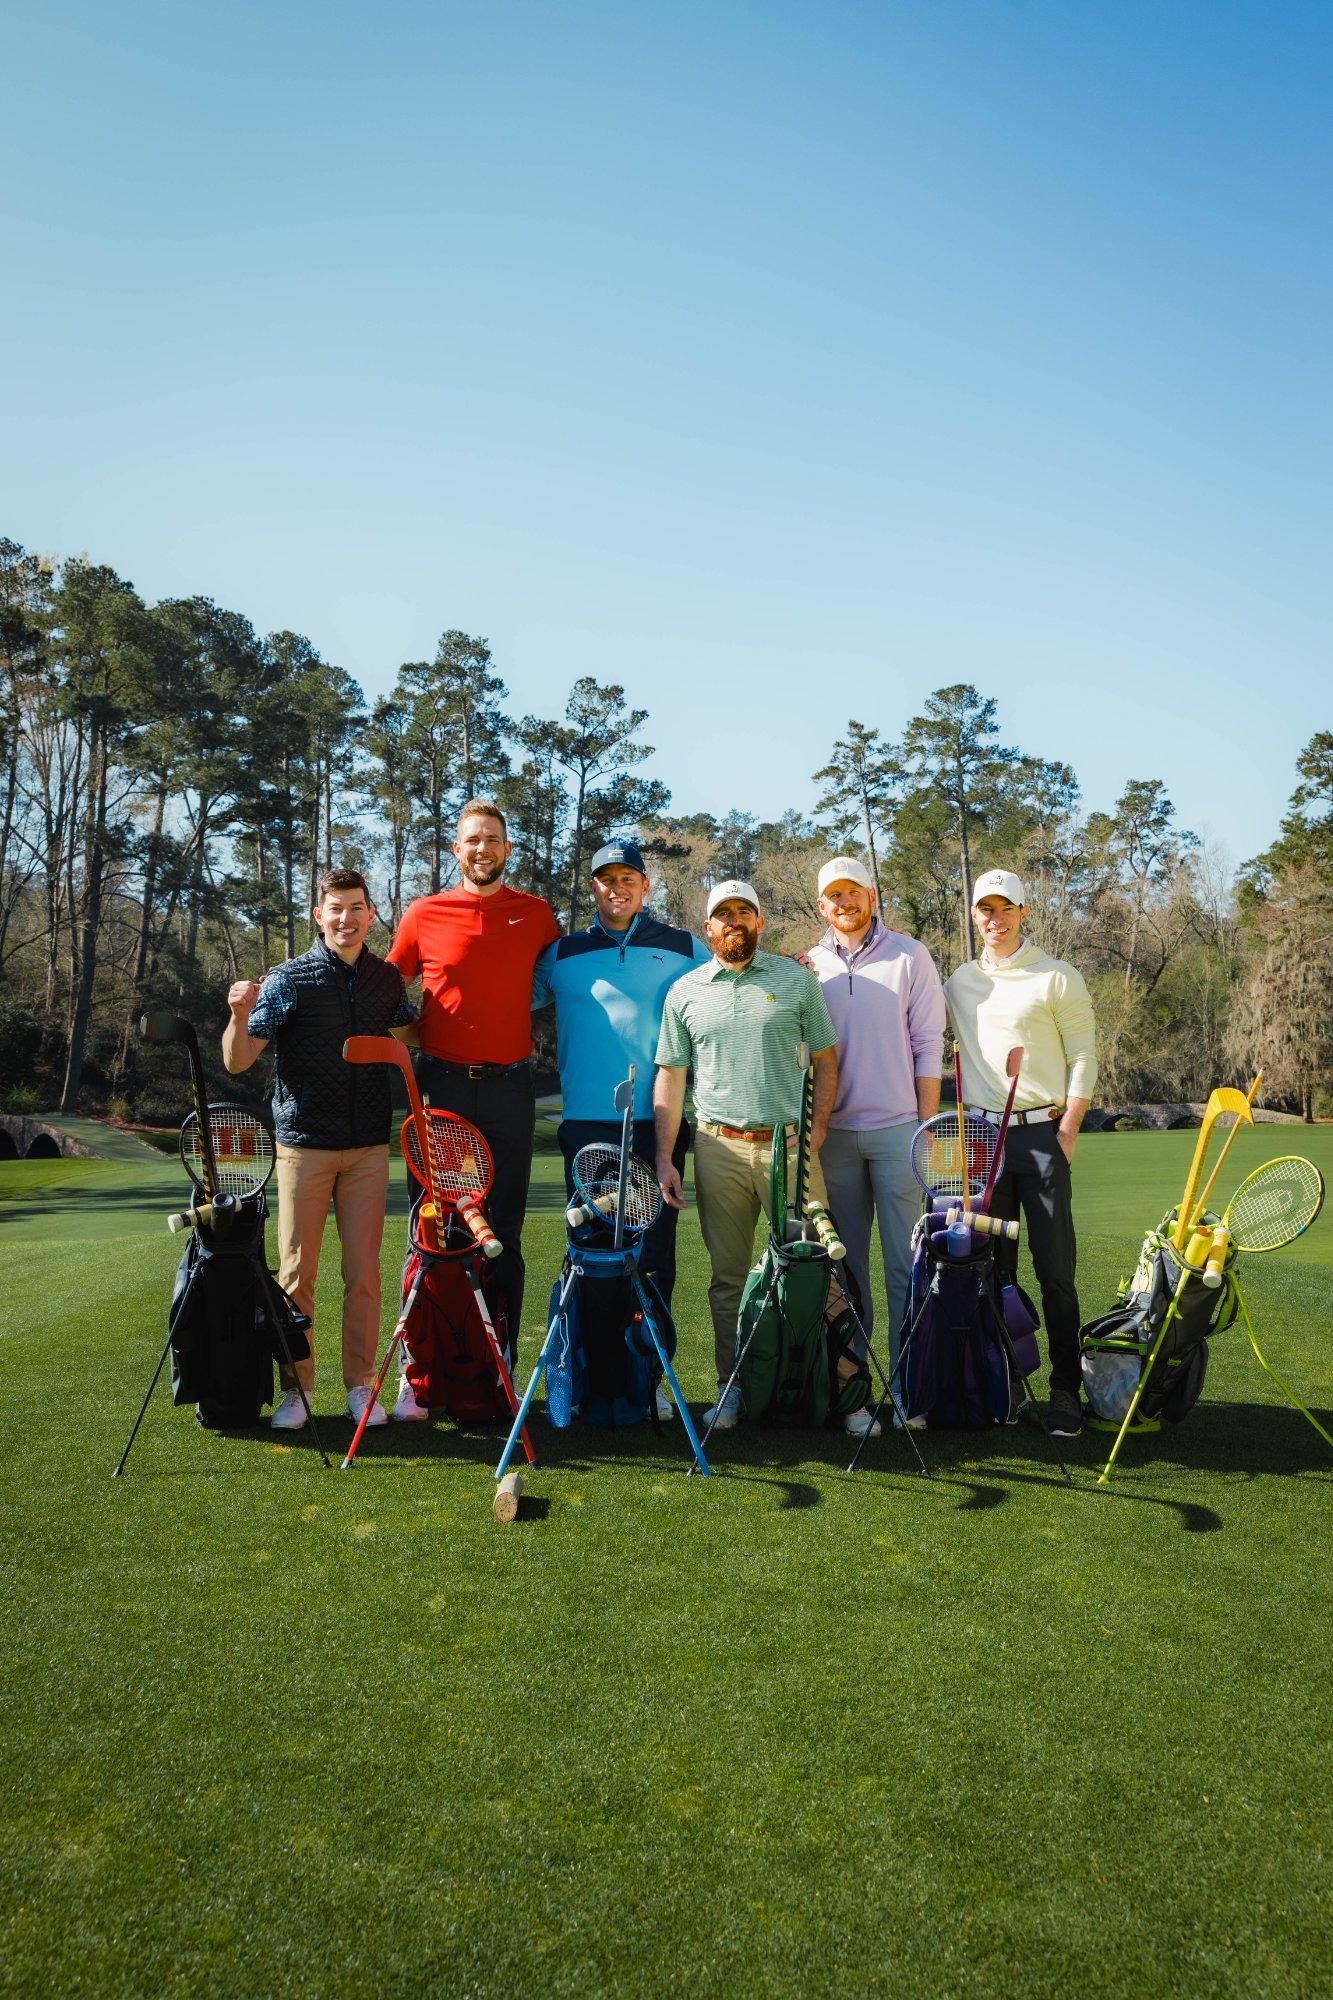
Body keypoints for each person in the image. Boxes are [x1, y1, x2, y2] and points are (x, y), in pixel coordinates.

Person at [654, 879, 877, 1437]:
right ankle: (733, 1391)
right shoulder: (684, 991)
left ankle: (846, 1397)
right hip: (716, 1147)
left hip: (789, 1151)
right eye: (723, 914)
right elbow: (672, 1076)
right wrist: (666, 1156)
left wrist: (818, 1127)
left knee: (823, 1271)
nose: (734, 921)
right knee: (728, 1280)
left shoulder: (797, 980)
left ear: (759, 922)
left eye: (744, 912)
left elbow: (826, 1059)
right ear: (708, 927)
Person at [221, 868, 417, 1432]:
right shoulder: (288, 979)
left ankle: (360, 1387)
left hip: (367, 1149)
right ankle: (297, 1390)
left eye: (356, 908)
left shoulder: (385, 981)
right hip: (303, 1145)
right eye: (335, 908)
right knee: (296, 1274)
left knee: (364, 1275)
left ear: (371, 915)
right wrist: (238, 1014)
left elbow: (412, 1035)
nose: (346, 919)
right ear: (318, 915)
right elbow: (238, 1059)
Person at [386, 799, 560, 1415]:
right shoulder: (424, 913)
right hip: (443, 1088)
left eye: (493, 839)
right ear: (455, 850)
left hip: (513, 1089)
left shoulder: (537, 915)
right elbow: (384, 990)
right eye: (471, 840)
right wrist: (419, 1036)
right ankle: (418, 1368)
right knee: (433, 1224)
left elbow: (560, 984)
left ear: (507, 849)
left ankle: (500, 1362)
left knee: (503, 1231)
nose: (482, 849)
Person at [532, 839, 709, 1418]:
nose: (617, 888)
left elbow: (734, 984)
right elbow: (510, 1003)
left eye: (627, 878)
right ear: (593, 888)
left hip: (657, 1119)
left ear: (644, 886)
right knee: (590, 1248)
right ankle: (590, 1374)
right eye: (606, 879)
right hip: (586, 1120)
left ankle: (647, 1374)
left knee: (653, 1252)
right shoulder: (561, 954)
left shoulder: (683, 947)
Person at [943, 867, 1098, 1437]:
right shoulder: (959, 980)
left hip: (1042, 1137)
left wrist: (1069, 1129)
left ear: (1023, 913)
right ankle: (1002, 1381)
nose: (995, 919)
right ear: (974, 915)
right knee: (992, 1270)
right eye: (985, 909)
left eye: (1005, 909)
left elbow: (1084, 1053)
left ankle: (1064, 1391)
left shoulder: (1056, 977)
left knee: (1056, 1271)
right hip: (984, 1141)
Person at [805, 856, 945, 1376]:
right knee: (845, 1271)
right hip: (834, 1137)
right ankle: (854, 1386)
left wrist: (925, 1128)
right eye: (835, 895)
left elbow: (929, 1045)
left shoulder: (911, 955)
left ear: (872, 896)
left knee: (905, 1269)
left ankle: (908, 1384)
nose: (845, 903)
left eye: (854, 892)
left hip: (897, 1133)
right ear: (822, 905)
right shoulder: (808, 966)